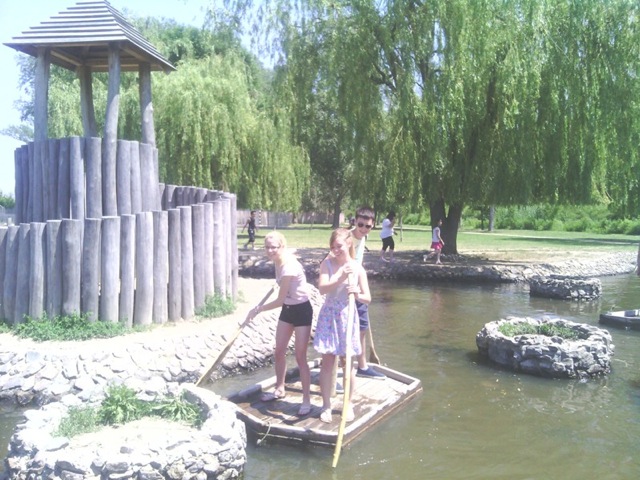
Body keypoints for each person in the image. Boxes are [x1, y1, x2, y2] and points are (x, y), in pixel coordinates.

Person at [247, 231, 313, 417]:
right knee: (279, 351)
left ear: (282, 247)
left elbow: (280, 300)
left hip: (301, 310)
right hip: (288, 310)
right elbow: (283, 296)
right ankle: (279, 388)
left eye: (274, 247)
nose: (270, 251)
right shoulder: (277, 260)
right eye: (267, 247)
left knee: (300, 356)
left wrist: (258, 309)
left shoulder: (288, 266)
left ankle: (306, 399)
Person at [314, 228, 371, 423]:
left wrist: (356, 293)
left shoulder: (357, 268)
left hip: (348, 316)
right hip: (329, 316)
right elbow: (322, 289)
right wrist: (339, 278)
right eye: (333, 247)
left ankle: (348, 404)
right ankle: (326, 405)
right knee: (327, 363)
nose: (336, 250)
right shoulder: (327, 264)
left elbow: (367, 298)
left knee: (348, 364)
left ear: (348, 243)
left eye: (339, 246)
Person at [350, 206, 386, 380]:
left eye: (368, 226)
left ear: (373, 226)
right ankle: (343, 368)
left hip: (359, 290)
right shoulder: (346, 238)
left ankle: (362, 366)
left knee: (362, 328)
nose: (364, 229)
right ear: (355, 221)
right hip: (345, 291)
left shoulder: (363, 237)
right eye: (360, 225)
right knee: (344, 329)